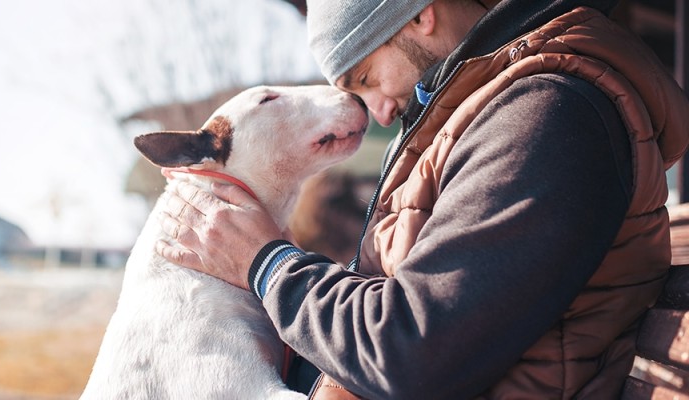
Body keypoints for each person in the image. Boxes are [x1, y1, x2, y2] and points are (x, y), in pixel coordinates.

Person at [156, 0, 689, 398]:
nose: (379, 113)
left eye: (366, 77)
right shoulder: (488, 113)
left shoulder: (547, 115)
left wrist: (265, 262)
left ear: (418, 15)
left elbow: (411, 351)